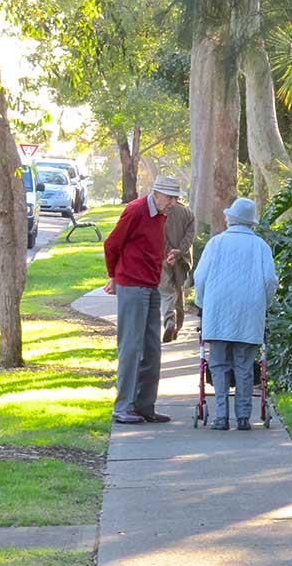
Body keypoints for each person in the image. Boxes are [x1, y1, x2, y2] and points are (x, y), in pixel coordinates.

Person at [104, 176, 185, 424]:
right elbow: (112, 244)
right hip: (132, 284)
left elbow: (147, 246)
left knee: (152, 348)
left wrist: (165, 256)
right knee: (131, 347)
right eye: (170, 198)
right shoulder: (136, 210)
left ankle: (144, 405)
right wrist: (113, 276)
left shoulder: (161, 215)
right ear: (157, 194)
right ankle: (123, 407)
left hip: (151, 285)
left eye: (176, 198)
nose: (173, 203)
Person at [193, 197, 278, 431]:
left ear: (231, 218)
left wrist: (202, 303)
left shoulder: (215, 244)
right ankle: (243, 418)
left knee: (219, 365)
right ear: (251, 222)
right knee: (244, 365)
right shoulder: (261, 246)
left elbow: (199, 278)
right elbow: (270, 281)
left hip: (217, 312)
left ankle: (221, 417)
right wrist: (263, 304)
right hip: (250, 314)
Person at [160, 200, 196, 343]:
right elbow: (190, 237)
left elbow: (159, 234)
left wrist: (169, 252)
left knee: (166, 291)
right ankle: (177, 328)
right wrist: (179, 251)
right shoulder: (187, 212)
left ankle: (169, 321)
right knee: (179, 291)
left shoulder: (162, 210)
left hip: (163, 257)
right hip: (182, 260)